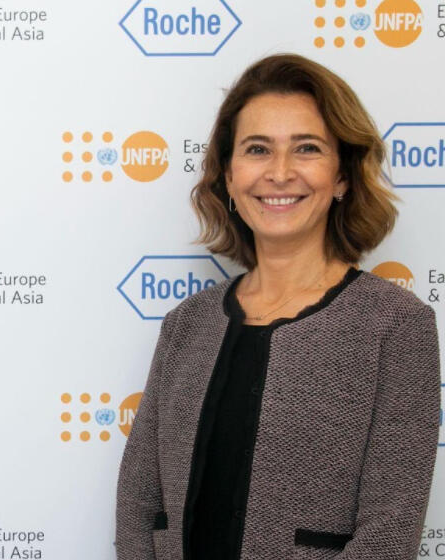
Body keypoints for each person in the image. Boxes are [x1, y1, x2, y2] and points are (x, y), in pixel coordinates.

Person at [116, 53, 439, 560]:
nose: (280, 172)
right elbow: (138, 504)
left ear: (342, 177)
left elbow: (389, 536)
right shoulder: (186, 325)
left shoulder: (396, 325)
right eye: (258, 149)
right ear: (228, 175)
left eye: (307, 148)